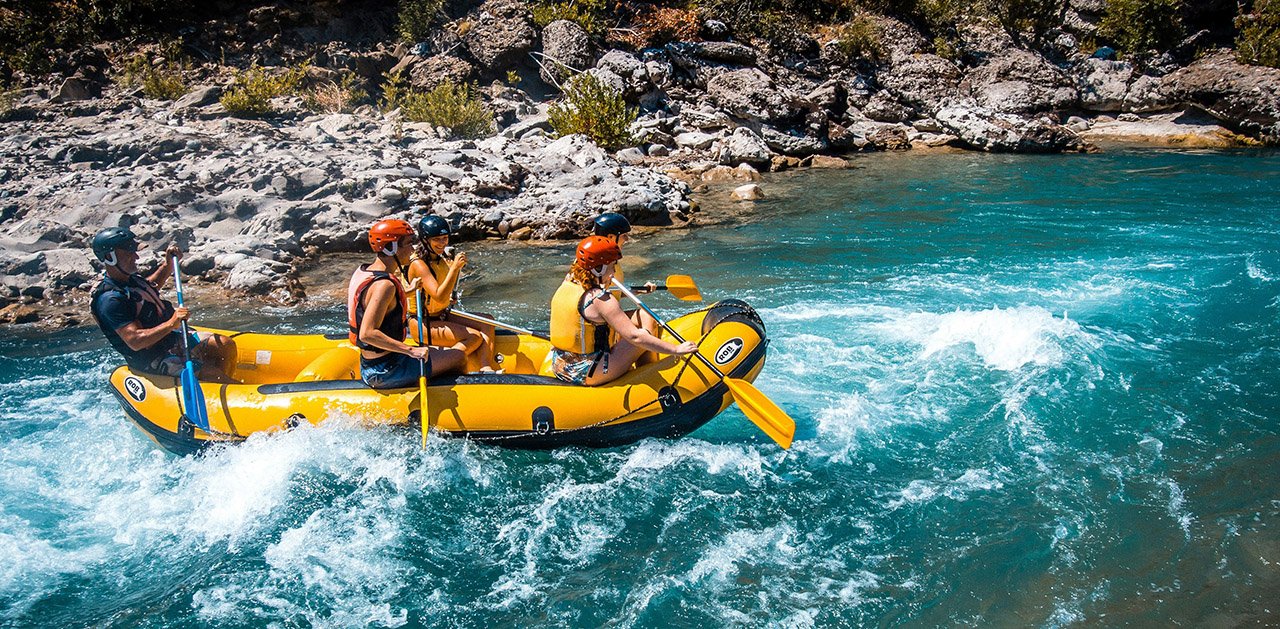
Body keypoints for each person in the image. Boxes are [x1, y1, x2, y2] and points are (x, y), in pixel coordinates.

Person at [88, 226, 238, 383]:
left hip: (168, 340)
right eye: (129, 253)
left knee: (224, 345)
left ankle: (216, 384)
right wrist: (171, 324)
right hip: (150, 357)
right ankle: (213, 379)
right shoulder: (110, 300)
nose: (136, 257)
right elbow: (135, 341)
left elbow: (148, 289)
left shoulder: (128, 280)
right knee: (210, 374)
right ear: (109, 257)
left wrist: (168, 266)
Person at [548, 236, 697, 386]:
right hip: (586, 372)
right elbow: (635, 337)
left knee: (644, 315)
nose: (613, 272)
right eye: (612, 266)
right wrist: (676, 349)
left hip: (561, 365)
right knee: (644, 336)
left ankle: (645, 369)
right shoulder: (601, 299)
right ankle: (651, 375)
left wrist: (637, 291)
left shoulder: (569, 281)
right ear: (598, 269)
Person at [348, 219, 466, 389]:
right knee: (459, 357)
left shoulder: (364, 271)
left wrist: (408, 292)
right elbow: (367, 334)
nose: (412, 250)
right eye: (408, 244)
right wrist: (410, 350)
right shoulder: (385, 285)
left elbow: (372, 300)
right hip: (386, 369)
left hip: (374, 363)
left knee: (443, 353)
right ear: (392, 248)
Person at [404, 215, 499, 373]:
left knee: (487, 321)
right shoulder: (419, 264)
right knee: (474, 337)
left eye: (445, 238)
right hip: (423, 323)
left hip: (440, 314)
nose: (443, 243)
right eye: (437, 239)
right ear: (425, 240)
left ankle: (485, 367)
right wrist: (454, 268)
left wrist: (449, 298)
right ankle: (445, 364)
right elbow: (438, 296)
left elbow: (442, 295)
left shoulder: (438, 259)